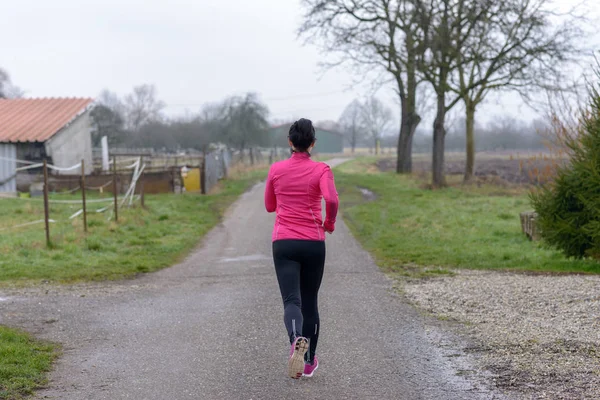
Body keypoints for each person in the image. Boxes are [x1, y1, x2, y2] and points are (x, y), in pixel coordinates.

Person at [264, 118, 339, 379]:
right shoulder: (322, 170)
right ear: (313, 143)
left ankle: (295, 338)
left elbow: (270, 206)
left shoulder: (276, 169)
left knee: (291, 301)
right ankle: (308, 362)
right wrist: (328, 223)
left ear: (290, 142)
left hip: (283, 242)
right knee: (310, 301)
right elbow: (330, 198)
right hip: (313, 243)